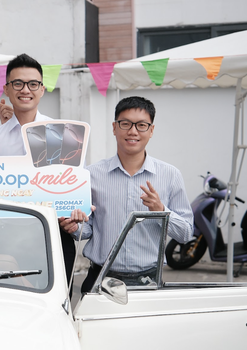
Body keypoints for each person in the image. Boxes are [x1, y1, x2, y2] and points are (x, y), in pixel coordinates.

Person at [60, 96, 193, 293]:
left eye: (141, 125)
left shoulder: (170, 175)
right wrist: (74, 225)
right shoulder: (92, 175)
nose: (132, 131)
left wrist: (161, 210)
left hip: (148, 283)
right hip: (100, 280)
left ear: (151, 130)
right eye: (125, 124)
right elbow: (86, 231)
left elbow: (186, 234)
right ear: (114, 128)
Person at [0, 53, 77, 282]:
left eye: (33, 84)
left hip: (54, 236)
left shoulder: (62, 133)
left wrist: (74, 210)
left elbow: (71, 187)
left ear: (42, 89)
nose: (25, 90)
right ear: (7, 89)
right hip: (8, 240)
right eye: (18, 84)